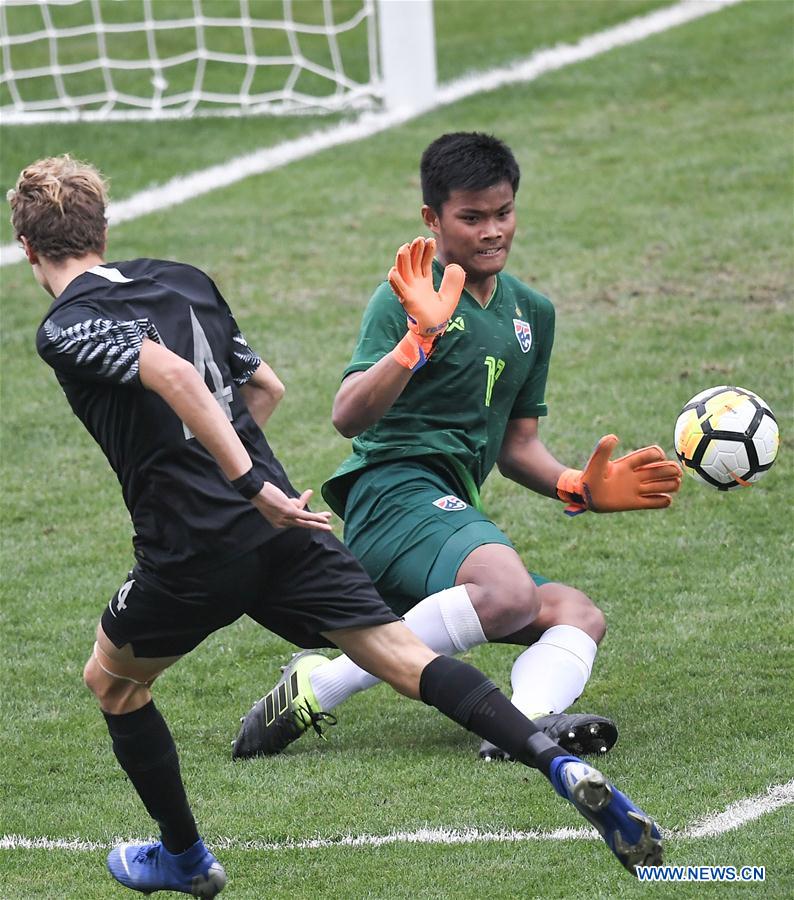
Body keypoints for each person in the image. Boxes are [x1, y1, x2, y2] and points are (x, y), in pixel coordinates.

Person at [10, 153, 664, 894]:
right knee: (404, 657)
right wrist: (244, 475)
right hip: (288, 527)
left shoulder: (66, 325)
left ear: (27, 247)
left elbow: (174, 375)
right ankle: (557, 762)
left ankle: (184, 858)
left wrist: (229, 481)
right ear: (103, 226)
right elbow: (262, 386)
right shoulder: (183, 279)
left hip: (193, 544)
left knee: (114, 683)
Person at [238, 132, 682, 765]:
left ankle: (524, 727)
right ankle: (320, 683)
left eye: (502, 214)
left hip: (448, 505)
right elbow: (348, 415)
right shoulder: (406, 295)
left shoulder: (533, 313)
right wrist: (418, 338)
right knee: (505, 591)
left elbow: (516, 442)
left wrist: (574, 485)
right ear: (433, 219)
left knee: (577, 616)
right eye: (471, 218)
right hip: (391, 493)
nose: (491, 231)